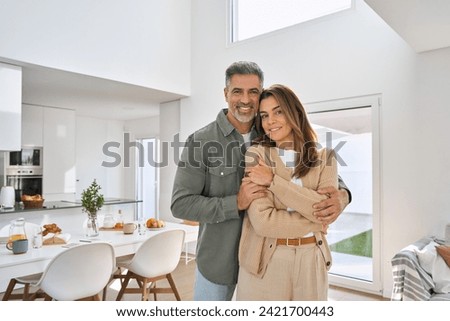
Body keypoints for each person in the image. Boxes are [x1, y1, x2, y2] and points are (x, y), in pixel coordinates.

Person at [171, 61, 350, 301]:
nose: (245, 99)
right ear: (226, 94)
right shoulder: (201, 141)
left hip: (265, 259)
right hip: (218, 262)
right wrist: (235, 202)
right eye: (237, 91)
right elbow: (180, 204)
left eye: (253, 91)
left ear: (260, 93)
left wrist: (344, 195)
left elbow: (319, 173)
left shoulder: (271, 131)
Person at [237, 84, 337, 300]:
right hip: (268, 260)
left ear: (295, 113)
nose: (270, 121)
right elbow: (264, 222)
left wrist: (273, 181)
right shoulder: (256, 154)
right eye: (264, 115)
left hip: (312, 260)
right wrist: (317, 221)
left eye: (278, 111)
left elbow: (328, 207)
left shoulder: (325, 158)